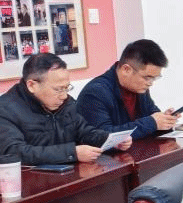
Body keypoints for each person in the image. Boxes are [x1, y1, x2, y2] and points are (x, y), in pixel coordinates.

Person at [0, 53, 129, 165]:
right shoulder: (5, 109)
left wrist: (110, 140)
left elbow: (83, 131)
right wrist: (72, 153)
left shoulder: (66, 103)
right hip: (30, 181)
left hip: (69, 175)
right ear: (32, 85)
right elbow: (14, 153)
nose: (64, 96)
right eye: (58, 89)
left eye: (66, 88)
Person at [77, 38, 183, 139]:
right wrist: (152, 123)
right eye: (147, 78)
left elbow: (151, 117)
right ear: (126, 70)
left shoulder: (140, 88)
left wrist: (164, 121)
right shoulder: (95, 93)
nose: (150, 83)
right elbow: (102, 136)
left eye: (154, 78)